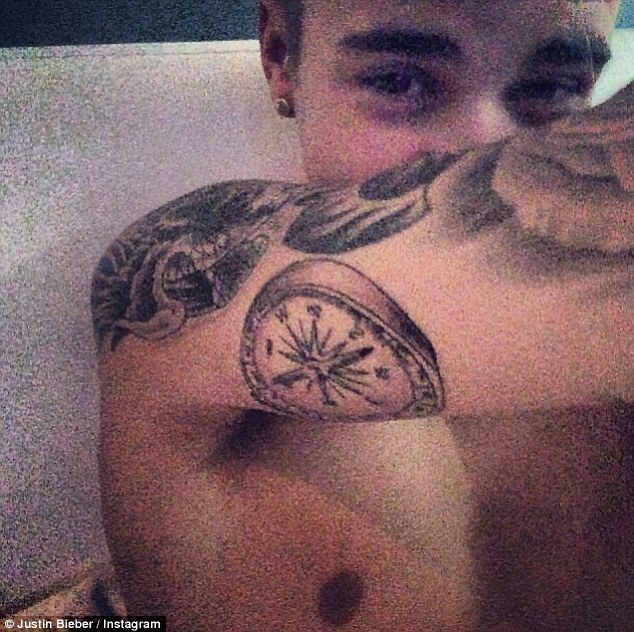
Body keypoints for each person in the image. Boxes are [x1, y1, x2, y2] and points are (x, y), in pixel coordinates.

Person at [90, 1, 633, 630]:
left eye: (555, 87)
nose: (484, 147)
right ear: (279, 55)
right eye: (399, 80)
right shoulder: (185, 272)